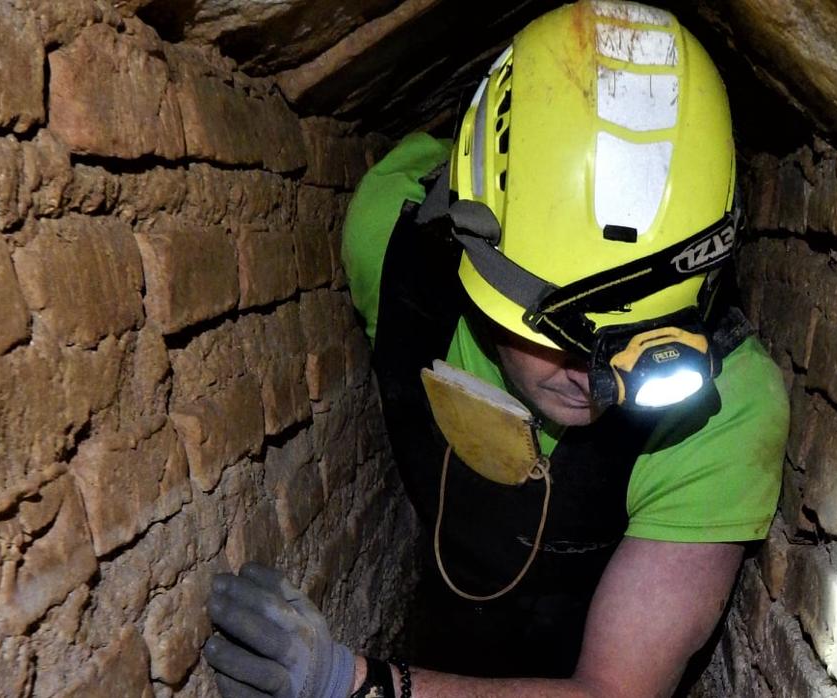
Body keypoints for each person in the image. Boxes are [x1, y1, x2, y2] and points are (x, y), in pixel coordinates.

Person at [201, 1, 789, 696]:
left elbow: (613, 690)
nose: (590, 382)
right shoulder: (390, 248)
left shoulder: (726, 413)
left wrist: (352, 684)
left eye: (632, 344)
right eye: (556, 337)